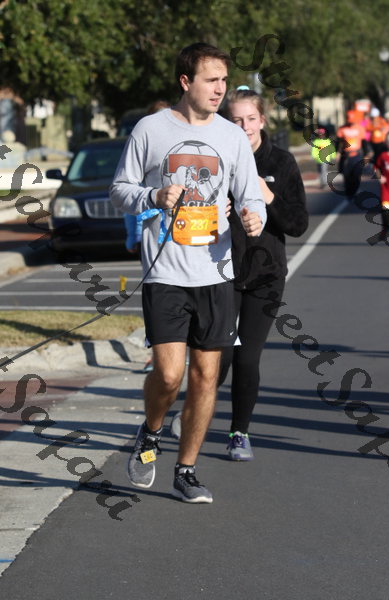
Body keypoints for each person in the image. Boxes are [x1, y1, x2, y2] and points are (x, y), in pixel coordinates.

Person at [110, 43, 266, 503]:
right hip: (166, 272)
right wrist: (153, 197)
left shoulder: (232, 137)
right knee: (169, 374)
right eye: (210, 80)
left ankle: (186, 470)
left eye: (224, 80)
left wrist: (254, 216)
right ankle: (151, 432)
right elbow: (119, 189)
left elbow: (249, 194)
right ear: (185, 81)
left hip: (216, 273)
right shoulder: (151, 129)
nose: (220, 89)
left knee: (205, 376)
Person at [217, 87, 309, 460]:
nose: (244, 127)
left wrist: (267, 196)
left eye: (250, 119)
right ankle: (195, 411)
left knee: (247, 357)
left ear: (262, 120)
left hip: (266, 275)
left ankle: (239, 433)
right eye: (236, 120)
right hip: (222, 271)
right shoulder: (217, 158)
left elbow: (298, 224)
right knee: (218, 356)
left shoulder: (281, 162)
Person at [336, 110, 371, 199]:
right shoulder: (342, 129)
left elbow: (364, 142)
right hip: (346, 156)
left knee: (356, 175)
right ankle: (349, 193)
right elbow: (338, 142)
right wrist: (337, 152)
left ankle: (354, 190)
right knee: (346, 175)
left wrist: (366, 155)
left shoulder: (360, 128)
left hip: (357, 155)